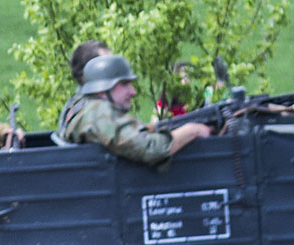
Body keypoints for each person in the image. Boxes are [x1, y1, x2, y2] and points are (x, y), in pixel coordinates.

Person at [61, 54, 212, 166]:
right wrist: (193, 130)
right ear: (102, 90)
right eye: (125, 84)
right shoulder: (99, 113)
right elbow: (150, 149)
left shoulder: (82, 105)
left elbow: (125, 136)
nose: (133, 91)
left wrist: (156, 128)